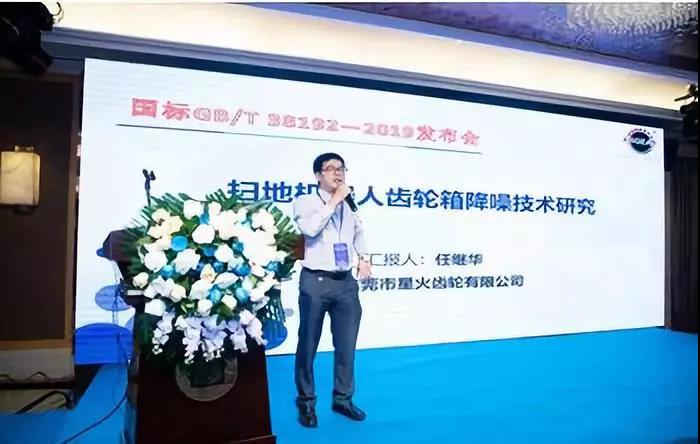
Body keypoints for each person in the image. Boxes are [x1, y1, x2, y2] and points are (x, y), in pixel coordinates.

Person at [292, 152, 372, 428]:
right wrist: (335, 201)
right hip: (315, 282)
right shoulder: (305, 202)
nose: (338, 173)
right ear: (318, 175)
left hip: (345, 283)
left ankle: (343, 399)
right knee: (308, 344)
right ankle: (306, 402)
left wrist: (364, 258)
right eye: (331, 169)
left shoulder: (350, 204)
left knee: (346, 345)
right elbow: (310, 230)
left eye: (342, 169)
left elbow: (358, 233)